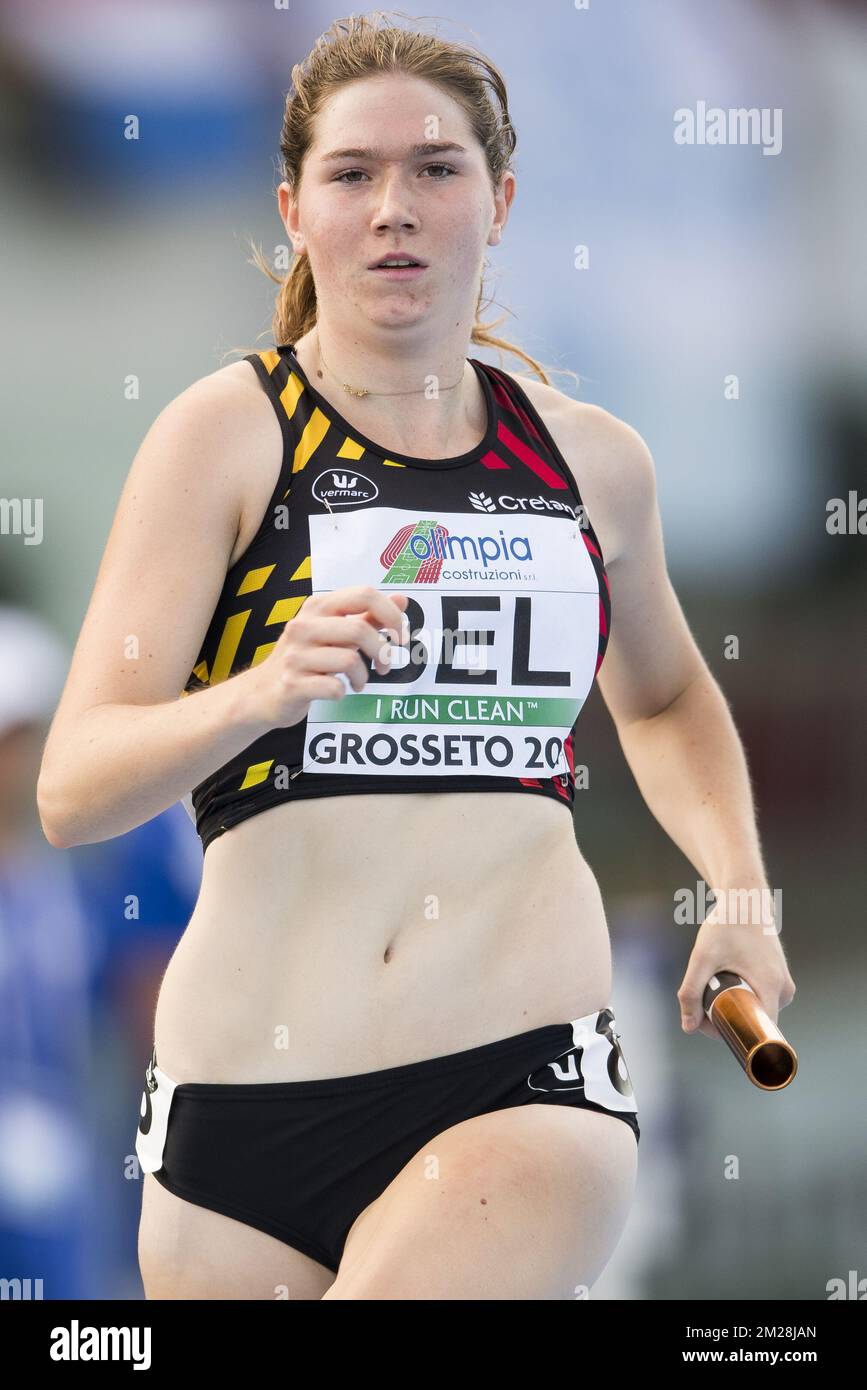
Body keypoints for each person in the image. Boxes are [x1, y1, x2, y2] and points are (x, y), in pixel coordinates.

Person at [36, 13, 795, 1301]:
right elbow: (72, 787)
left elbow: (664, 694)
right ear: (294, 208)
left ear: (499, 202)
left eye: (436, 169)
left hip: (515, 1080)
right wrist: (261, 690)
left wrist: (739, 887)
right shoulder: (224, 435)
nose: (395, 206)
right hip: (238, 1118)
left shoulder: (591, 461)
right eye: (352, 173)